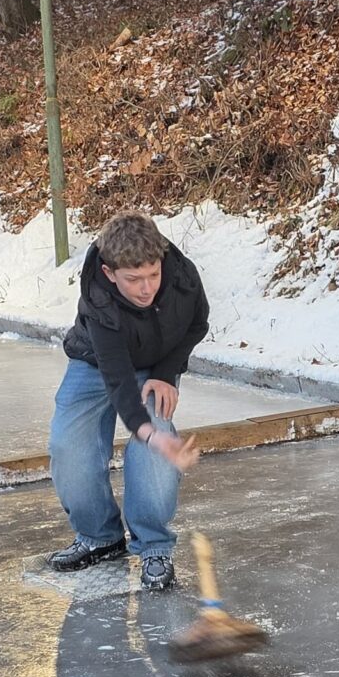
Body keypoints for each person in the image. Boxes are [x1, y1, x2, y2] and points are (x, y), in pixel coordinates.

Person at [46, 214, 206, 590]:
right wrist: (147, 431)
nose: (146, 288)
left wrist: (165, 373)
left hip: (155, 366)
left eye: (153, 274)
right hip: (95, 362)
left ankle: (154, 546)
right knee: (69, 446)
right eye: (133, 279)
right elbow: (117, 377)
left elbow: (197, 324)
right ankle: (99, 537)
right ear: (110, 272)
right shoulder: (98, 298)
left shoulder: (182, 276)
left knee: (154, 451)